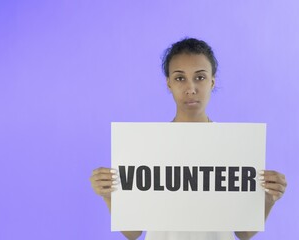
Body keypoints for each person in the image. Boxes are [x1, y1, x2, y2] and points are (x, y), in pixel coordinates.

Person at [90, 38, 287, 240]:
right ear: (168, 83)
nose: (190, 88)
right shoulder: (147, 146)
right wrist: (109, 195)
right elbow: (133, 232)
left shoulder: (235, 147)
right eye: (180, 78)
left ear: (212, 81)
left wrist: (268, 199)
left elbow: (243, 233)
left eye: (200, 77)